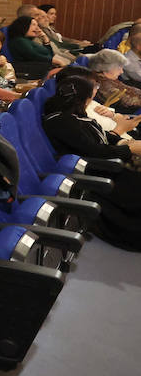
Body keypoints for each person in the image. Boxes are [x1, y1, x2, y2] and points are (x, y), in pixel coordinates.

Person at [40, 75, 141, 250]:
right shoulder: (62, 122)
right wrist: (129, 149)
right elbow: (95, 151)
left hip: (104, 164)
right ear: (85, 98)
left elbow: (99, 138)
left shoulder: (73, 115)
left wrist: (123, 140)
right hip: (99, 171)